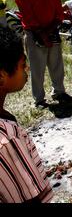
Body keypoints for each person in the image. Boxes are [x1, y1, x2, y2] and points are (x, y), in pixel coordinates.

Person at [0, 26, 53, 203]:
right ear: (2, 76)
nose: (27, 68)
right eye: (22, 65)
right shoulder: (7, 140)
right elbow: (30, 199)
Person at [15, 0, 72, 108]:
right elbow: (27, 16)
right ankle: (39, 99)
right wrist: (42, 35)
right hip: (34, 33)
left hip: (52, 31)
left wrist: (49, 32)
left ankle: (59, 91)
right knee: (37, 68)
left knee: (57, 65)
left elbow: (59, 15)